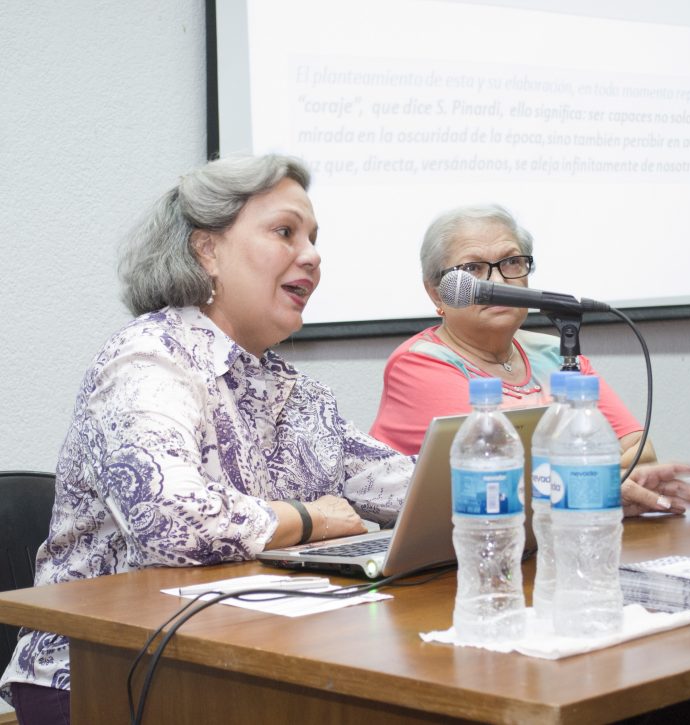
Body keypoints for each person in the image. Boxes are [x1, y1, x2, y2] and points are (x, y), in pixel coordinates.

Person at [0, 154, 415, 723]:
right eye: (285, 232)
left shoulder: (293, 389)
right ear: (207, 251)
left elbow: (402, 486)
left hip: (240, 651)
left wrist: (518, 481)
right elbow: (170, 519)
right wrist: (312, 519)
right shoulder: (148, 362)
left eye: (315, 238)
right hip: (104, 673)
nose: (313, 256)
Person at [370, 203, 657, 468]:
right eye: (472, 268)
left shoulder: (556, 352)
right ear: (437, 293)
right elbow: (503, 467)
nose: (498, 281)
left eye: (511, 262)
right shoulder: (419, 364)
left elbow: (641, 450)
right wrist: (604, 475)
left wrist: (587, 475)